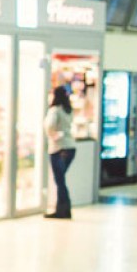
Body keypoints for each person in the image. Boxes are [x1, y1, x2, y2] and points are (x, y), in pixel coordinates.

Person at [44, 86, 76, 219]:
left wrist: (54, 135)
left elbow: (49, 126)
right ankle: (62, 209)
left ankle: (63, 209)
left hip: (59, 148)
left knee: (59, 180)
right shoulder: (68, 110)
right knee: (60, 179)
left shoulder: (54, 110)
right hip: (71, 147)